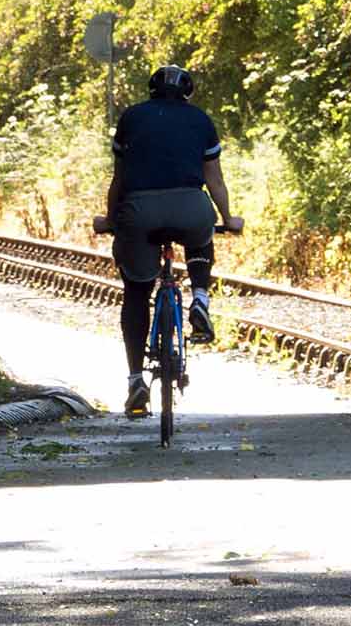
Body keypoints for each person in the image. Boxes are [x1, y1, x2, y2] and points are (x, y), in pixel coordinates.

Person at [94, 63, 242, 419]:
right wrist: (228, 219)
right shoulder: (201, 121)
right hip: (190, 206)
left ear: (152, 91)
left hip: (139, 211)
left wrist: (110, 220)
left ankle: (135, 381)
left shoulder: (131, 118)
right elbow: (214, 180)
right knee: (201, 234)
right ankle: (201, 299)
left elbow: (120, 179)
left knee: (136, 291)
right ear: (188, 93)